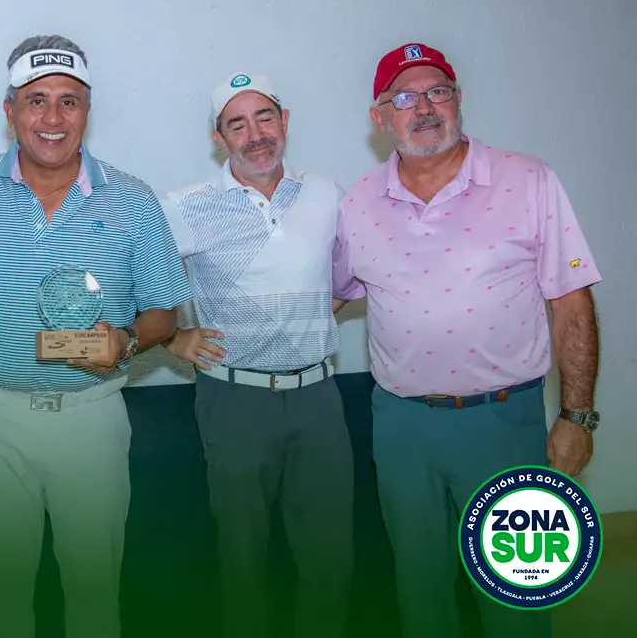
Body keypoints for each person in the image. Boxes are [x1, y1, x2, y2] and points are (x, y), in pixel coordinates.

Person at [332, 42, 602, 638]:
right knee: (419, 588)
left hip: (504, 424)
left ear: (458, 100)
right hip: (401, 428)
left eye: (438, 91)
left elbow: (571, 300)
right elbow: (330, 296)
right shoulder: (358, 202)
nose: (424, 107)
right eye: (405, 98)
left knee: (517, 595)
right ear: (380, 117)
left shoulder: (527, 179)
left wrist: (577, 417)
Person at [0, 35, 193, 638]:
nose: (52, 118)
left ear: (87, 110)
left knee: (93, 593)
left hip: (91, 417)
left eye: (68, 101)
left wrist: (126, 342)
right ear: (10, 111)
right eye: (35, 100)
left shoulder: (132, 198)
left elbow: (164, 314)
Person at [160, 72, 353, 638]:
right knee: (243, 559)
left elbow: (351, 273)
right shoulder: (185, 206)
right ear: (219, 137)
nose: (255, 135)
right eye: (237, 124)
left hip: (319, 398)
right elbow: (138, 283)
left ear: (284, 121)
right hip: (234, 400)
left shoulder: (326, 193)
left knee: (330, 558)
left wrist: (309, 313)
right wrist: (173, 339)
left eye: (265, 117)